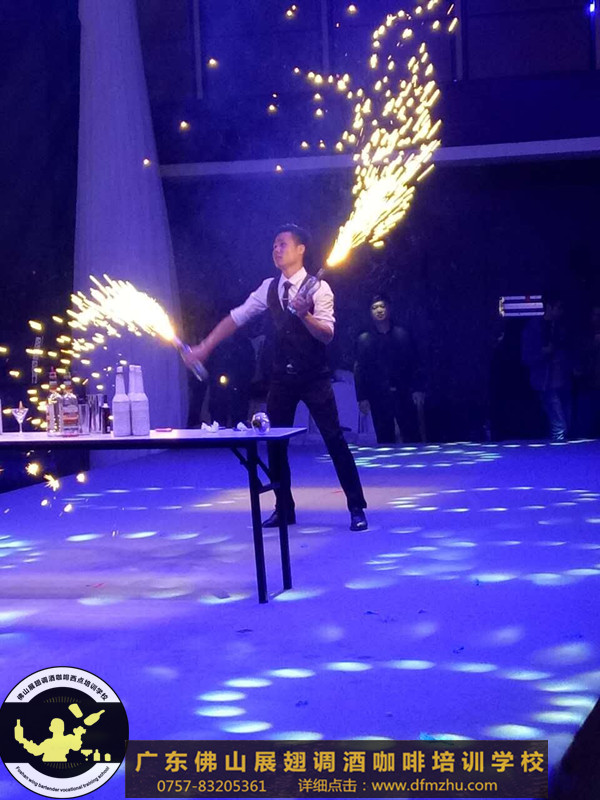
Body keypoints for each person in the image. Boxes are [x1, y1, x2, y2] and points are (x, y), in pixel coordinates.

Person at [184, 224, 368, 531]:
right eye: (274, 245)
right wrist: (204, 347)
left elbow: (327, 335)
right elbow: (237, 317)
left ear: (300, 249)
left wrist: (305, 314)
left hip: (314, 376)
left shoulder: (319, 288)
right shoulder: (269, 287)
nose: (276, 249)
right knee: (274, 443)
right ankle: (284, 508)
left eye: (283, 244)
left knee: (334, 440)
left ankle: (356, 507)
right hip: (281, 377)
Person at [354, 294, 426, 444]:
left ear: (389, 308)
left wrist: (418, 388)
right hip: (378, 395)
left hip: (404, 393)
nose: (379, 310)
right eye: (374, 307)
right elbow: (360, 369)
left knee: (412, 435)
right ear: (370, 312)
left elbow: (415, 363)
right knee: (384, 437)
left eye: (382, 306)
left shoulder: (403, 335)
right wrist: (362, 397)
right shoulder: (364, 339)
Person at [521, 294, 572, 442]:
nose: (561, 311)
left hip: (561, 380)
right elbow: (526, 355)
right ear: (549, 307)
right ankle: (559, 450)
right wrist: (542, 353)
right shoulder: (534, 328)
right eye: (558, 307)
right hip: (546, 382)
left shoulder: (559, 327)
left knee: (565, 423)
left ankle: (559, 449)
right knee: (560, 426)